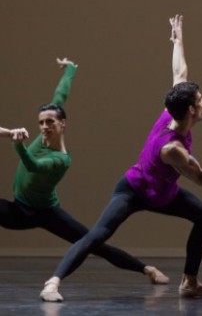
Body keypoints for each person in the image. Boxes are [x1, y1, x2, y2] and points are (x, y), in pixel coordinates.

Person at [40, 15, 202, 302]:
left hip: (163, 192)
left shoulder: (171, 112)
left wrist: (178, 38)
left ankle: (190, 282)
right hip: (135, 190)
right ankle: (53, 282)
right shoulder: (173, 149)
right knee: (98, 235)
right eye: (200, 101)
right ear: (189, 110)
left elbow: (179, 72)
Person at [0, 59, 169, 294]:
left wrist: (17, 145)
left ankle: (147, 269)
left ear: (62, 124)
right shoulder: (41, 137)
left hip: (45, 212)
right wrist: (70, 70)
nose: (44, 127)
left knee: (94, 244)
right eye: (41, 123)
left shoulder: (61, 159)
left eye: (50, 122)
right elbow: (59, 96)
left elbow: (33, 166)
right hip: (18, 209)